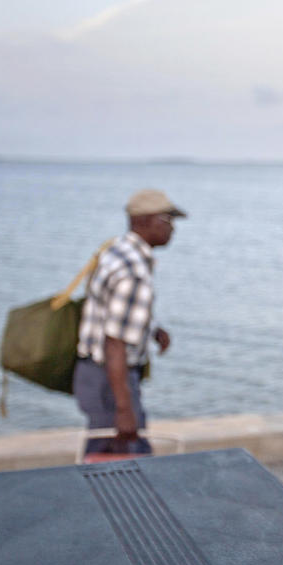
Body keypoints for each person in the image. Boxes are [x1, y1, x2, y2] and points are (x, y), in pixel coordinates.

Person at [74, 189, 186, 455]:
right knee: (126, 461)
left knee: (108, 459)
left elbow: (110, 311)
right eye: (168, 220)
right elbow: (115, 343)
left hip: (94, 375)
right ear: (146, 221)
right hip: (111, 379)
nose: (173, 229)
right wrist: (124, 409)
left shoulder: (117, 250)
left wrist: (152, 330)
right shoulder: (134, 272)